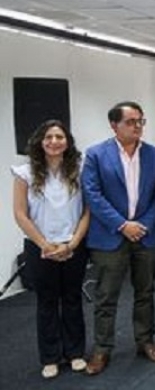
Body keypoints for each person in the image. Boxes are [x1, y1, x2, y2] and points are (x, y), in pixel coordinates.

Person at [81, 101, 155, 375]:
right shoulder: (96, 154)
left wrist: (143, 225)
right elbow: (92, 195)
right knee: (106, 296)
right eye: (130, 122)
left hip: (146, 235)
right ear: (114, 125)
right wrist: (121, 225)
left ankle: (146, 341)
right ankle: (102, 349)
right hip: (110, 236)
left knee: (146, 293)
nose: (137, 126)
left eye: (141, 121)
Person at [11, 120, 90, 379]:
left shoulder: (79, 169)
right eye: (48, 137)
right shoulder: (25, 173)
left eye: (59, 137)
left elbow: (87, 211)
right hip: (39, 247)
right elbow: (20, 214)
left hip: (73, 245)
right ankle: (50, 358)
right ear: (40, 141)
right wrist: (45, 244)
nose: (54, 141)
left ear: (67, 142)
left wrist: (73, 243)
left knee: (72, 299)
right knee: (46, 302)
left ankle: (75, 353)